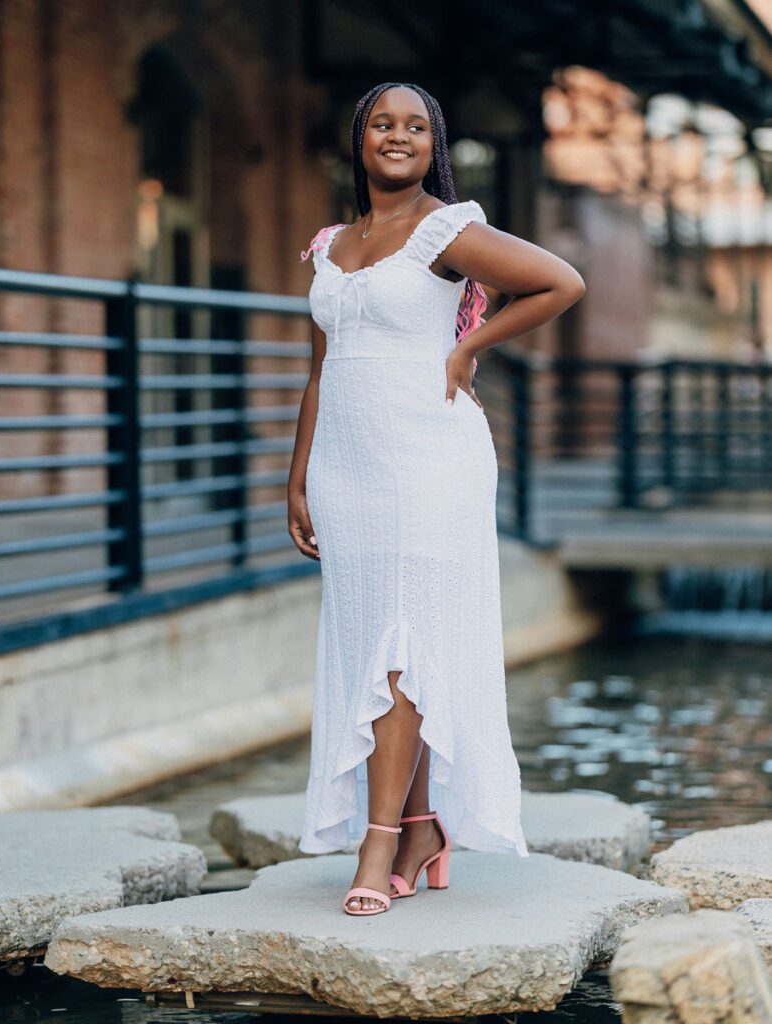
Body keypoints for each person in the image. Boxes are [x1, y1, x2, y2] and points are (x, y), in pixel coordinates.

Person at [288, 81, 585, 916]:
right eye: (381, 123)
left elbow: (558, 282)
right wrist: (298, 476)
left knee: (403, 646)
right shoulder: (333, 242)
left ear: (433, 145)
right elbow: (321, 371)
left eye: (414, 126)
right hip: (347, 469)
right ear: (359, 139)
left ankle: (376, 845)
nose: (396, 136)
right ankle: (419, 828)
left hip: (428, 458)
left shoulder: (447, 230)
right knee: (375, 645)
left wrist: (468, 347)